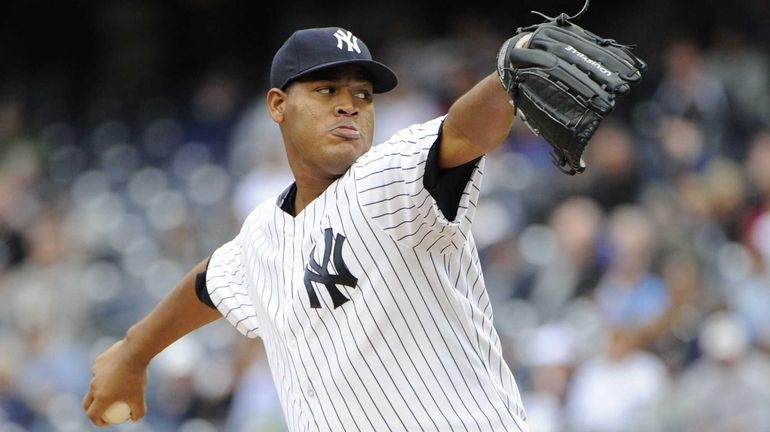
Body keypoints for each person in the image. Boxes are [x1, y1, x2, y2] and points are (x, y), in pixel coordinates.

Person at [83, 26, 530, 431]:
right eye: (326, 89)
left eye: (363, 95)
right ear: (278, 105)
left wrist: (511, 75)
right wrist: (133, 351)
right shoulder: (262, 232)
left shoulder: (388, 180)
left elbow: (462, 133)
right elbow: (209, 283)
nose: (348, 105)